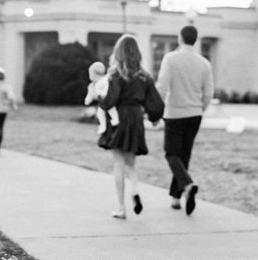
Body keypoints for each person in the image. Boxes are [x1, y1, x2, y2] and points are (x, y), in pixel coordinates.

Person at [99, 34, 163, 219]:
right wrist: (154, 117)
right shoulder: (145, 77)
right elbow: (155, 103)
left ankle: (121, 208)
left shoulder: (115, 75)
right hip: (136, 118)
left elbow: (110, 101)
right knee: (131, 164)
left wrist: (100, 98)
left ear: (118, 53)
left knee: (118, 164)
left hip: (119, 118)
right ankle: (134, 191)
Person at [156, 24, 214, 215]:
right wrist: (200, 109)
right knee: (184, 154)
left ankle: (187, 185)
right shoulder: (204, 63)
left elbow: (162, 87)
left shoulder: (170, 59)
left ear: (180, 38)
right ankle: (176, 198)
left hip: (174, 113)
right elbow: (208, 94)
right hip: (194, 114)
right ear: (195, 39)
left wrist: (156, 110)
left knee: (171, 154)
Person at [85, 61, 119, 134]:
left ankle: (115, 119)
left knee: (111, 110)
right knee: (100, 113)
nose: (90, 77)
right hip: (103, 101)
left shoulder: (104, 80)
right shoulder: (92, 85)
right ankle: (103, 126)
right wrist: (88, 98)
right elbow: (91, 94)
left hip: (108, 99)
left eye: (90, 74)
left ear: (94, 74)